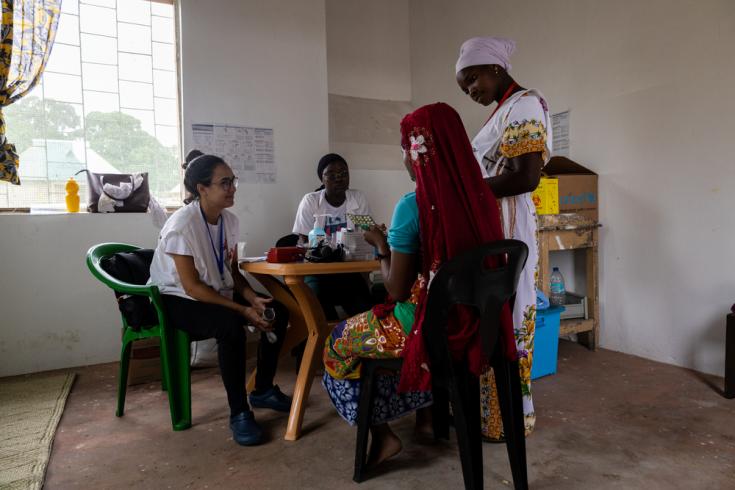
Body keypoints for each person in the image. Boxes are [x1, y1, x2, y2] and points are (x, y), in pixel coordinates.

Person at [322, 103, 515, 466]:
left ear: (417, 153)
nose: (404, 161)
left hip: (426, 331)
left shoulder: (412, 206)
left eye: (404, 151)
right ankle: (425, 418)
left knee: (338, 343)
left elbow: (395, 290)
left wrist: (381, 244)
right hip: (480, 325)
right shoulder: (483, 200)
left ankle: (381, 432)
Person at [148, 151, 292, 446]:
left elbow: (232, 271)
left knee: (277, 311)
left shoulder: (229, 221)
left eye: (233, 181)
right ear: (202, 189)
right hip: (175, 299)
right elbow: (192, 287)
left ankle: (263, 389)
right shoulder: (181, 226)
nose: (232, 188)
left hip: (214, 291)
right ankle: (239, 412)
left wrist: (252, 299)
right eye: (224, 183)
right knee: (230, 326)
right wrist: (241, 310)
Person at [455, 36, 553, 441]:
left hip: (508, 229)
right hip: (494, 227)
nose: (471, 91)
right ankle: (491, 417)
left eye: (472, 79)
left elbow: (527, 176)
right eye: (464, 88)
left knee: (508, 319)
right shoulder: (502, 112)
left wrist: (464, 191)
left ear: (495, 68)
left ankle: (509, 417)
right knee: (492, 319)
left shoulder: (524, 104)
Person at [292, 153, 374, 320]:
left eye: (344, 173)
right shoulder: (311, 201)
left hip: (348, 272)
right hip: (317, 273)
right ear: (322, 179)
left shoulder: (357, 198)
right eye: (332, 174)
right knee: (321, 317)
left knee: (367, 315)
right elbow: (303, 240)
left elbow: (367, 233)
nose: (339, 178)